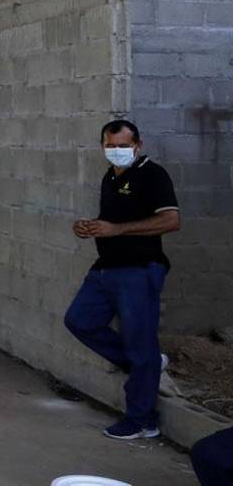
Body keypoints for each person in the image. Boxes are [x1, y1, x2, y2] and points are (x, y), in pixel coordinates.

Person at [64, 119, 181, 441]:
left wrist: (116, 229)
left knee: (139, 343)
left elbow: (171, 220)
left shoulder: (152, 174)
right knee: (79, 321)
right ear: (103, 146)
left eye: (123, 146)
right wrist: (90, 227)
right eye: (111, 146)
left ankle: (142, 421)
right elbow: (112, 221)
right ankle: (149, 364)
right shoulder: (111, 177)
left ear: (138, 146)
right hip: (106, 268)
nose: (117, 151)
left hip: (139, 269)